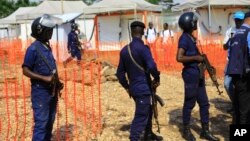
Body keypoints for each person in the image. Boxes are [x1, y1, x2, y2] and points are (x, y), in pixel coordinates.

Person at [176, 12, 219, 141]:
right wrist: (196, 57)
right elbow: (179, 57)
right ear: (189, 23)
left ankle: (205, 131)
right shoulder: (184, 38)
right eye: (194, 22)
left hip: (198, 75)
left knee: (204, 103)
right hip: (190, 75)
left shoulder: (190, 37)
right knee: (189, 103)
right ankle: (186, 130)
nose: (196, 24)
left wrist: (206, 63)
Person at [116, 21, 163, 141]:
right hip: (143, 88)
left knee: (148, 110)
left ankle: (148, 134)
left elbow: (120, 74)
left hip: (135, 88)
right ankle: (134, 137)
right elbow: (151, 66)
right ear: (143, 32)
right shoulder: (143, 48)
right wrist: (157, 77)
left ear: (131, 32)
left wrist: (127, 87)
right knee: (141, 116)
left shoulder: (124, 50)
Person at [22, 14, 62, 141]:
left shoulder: (46, 47)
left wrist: (58, 82)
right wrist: (44, 78)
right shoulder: (33, 49)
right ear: (40, 31)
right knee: (41, 124)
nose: (51, 33)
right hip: (40, 92)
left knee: (50, 121)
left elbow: (50, 68)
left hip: (52, 91)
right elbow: (25, 70)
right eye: (49, 31)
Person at [226, 12, 250, 124]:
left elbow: (230, 55)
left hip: (235, 74)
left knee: (238, 107)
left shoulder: (235, 34)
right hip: (245, 76)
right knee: (245, 110)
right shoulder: (248, 33)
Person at [223, 11, 245, 113]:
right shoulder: (230, 31)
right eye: (236, 20)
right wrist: (230, 39)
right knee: (227, 84)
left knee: (241, 86)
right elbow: (224, 47)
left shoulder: (247, 31)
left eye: (240, 20)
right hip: (231, 63)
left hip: (242, 63)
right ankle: (235, 103)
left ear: (243, 20)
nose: (238, 22)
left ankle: (241, 106)